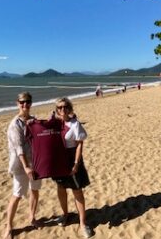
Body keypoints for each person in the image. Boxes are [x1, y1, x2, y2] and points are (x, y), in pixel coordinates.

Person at [53, 97, 93, 238]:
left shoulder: (75, 124)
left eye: (65, 107)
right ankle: (65, 215)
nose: (62, 110)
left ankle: (83, 223)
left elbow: (79, 144)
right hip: (59, 161)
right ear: (56, 110)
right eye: (59, 107)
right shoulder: (54, 124)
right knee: (61, 188)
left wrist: (76, 163)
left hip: (72, 160)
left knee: (77, 191)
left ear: (69, 108)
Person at [3, 92, 42, 239]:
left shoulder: (33, 121)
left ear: (31, 103)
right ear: (17, 103)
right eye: (22, 102)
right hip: (20, 165)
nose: (25, 104)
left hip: (36, 163)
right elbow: (19, 148)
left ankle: (32, 217)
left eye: (28, 102)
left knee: (35, 190)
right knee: (17, 194)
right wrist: (26, 167)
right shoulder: (15, 124)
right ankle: (9, 226)